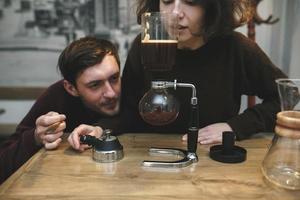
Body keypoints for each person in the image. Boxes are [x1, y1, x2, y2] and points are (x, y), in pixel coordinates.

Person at [120, 0, 287, 144]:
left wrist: (235, 127)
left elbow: (285, 96)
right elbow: (127, 109)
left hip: (210, 158)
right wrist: (101, 128)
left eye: (191, 2)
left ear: (212, 6)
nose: (176, 12)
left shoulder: (235, 48)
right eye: (167, 0)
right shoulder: (146, 44)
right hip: (149, 156)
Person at [0, 36, 121, 184]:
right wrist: (36, 138)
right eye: (95, 85)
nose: (111, 93)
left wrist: (102, 128)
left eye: (114, 78)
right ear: (71, 88)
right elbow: (4, 163)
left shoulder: (134, 89)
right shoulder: (56, 97)